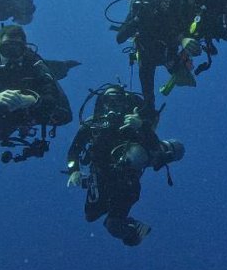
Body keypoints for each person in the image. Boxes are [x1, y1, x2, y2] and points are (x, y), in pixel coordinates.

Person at [64, 84, 185, 247]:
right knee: (90, 215)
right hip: (100, 175)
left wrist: (141, 126)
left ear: (125, 102)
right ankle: (131, 229)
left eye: (117, 101)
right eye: (108, 101)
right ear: (102, 104)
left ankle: (136, 231)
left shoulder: (133, 121)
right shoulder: (92, 124)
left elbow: (154, 147)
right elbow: (74, 151)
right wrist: (74, 170)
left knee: (114, 226)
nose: (112, 106)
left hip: (126, 182)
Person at [0, 25, 74, 163]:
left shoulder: (36, 65)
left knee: (64, 115)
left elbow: (53, 97)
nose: (11, 56)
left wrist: (33, 100)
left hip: (36, 110)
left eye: (16, 49)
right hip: (6, 114)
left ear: (24, 50)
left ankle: (62, 67)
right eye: (6, 49)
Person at [113, 0, 195, 112]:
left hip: (167, 52)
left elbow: (181, 25)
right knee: (148, 98)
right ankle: (149, 110)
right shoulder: (136, 11)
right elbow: (120, 38)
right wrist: (137, 19)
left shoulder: (165, 8)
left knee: (182, 73)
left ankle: (180, 68)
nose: (145, 3)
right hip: (146, 56)